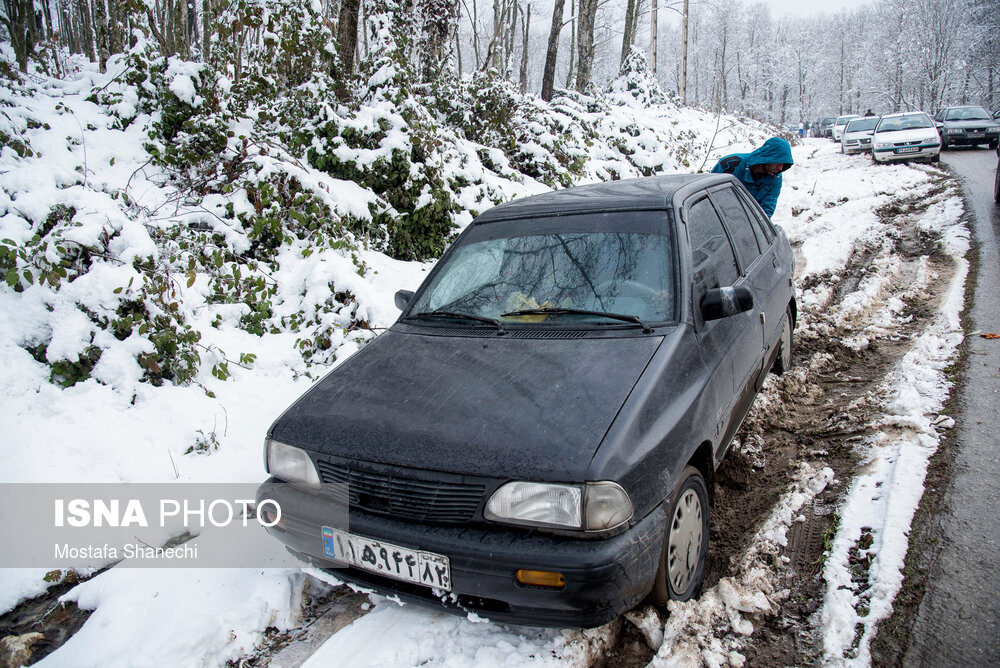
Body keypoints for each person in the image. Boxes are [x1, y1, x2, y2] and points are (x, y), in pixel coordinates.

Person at [710, 137, 793, 217]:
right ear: (769, 157)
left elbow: (766, 210)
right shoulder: (730, 165)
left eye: (784, 165)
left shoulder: (775, 178)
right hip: (716, 216)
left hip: (744, 223)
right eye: (778, 163)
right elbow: (709, 192)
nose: (780, 168)